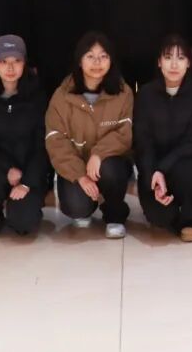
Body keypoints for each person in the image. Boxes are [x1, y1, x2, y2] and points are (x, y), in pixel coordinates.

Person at [46, 33, 134, 238]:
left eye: (103, 56)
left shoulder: (123, 92)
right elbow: (55, 140)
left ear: (111, 60)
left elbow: (124, 133)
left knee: (111, 169)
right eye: (90, 56)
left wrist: (98, 154)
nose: (97, 63)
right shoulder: (62, 96)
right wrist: (80, 176)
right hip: (75, 166)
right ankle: (86, 205)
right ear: (80, 60)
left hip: (108, 163)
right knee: (76, 208)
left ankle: (114, 214)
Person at [0, 35, 49, 238]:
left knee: (23, 224)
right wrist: (8, 168)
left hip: (28, 173)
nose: (10, 68)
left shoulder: (38, 97)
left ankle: (24, 208)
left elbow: (43, 145)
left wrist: (27, 181)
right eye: (4, 61)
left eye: (16, 61)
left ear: (25, 63)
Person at [133, 36, 192, 242]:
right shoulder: (145, 94)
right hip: (152, 171)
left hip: (184, 167)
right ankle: (173, 214)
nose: (174, 65)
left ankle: (191, 218)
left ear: (189, 63)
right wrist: (152, 174)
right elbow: (142, 142)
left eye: (181, 58)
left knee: (191, 172)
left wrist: (163, 168)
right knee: (159, 218)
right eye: (168, 58)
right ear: (159, 62)